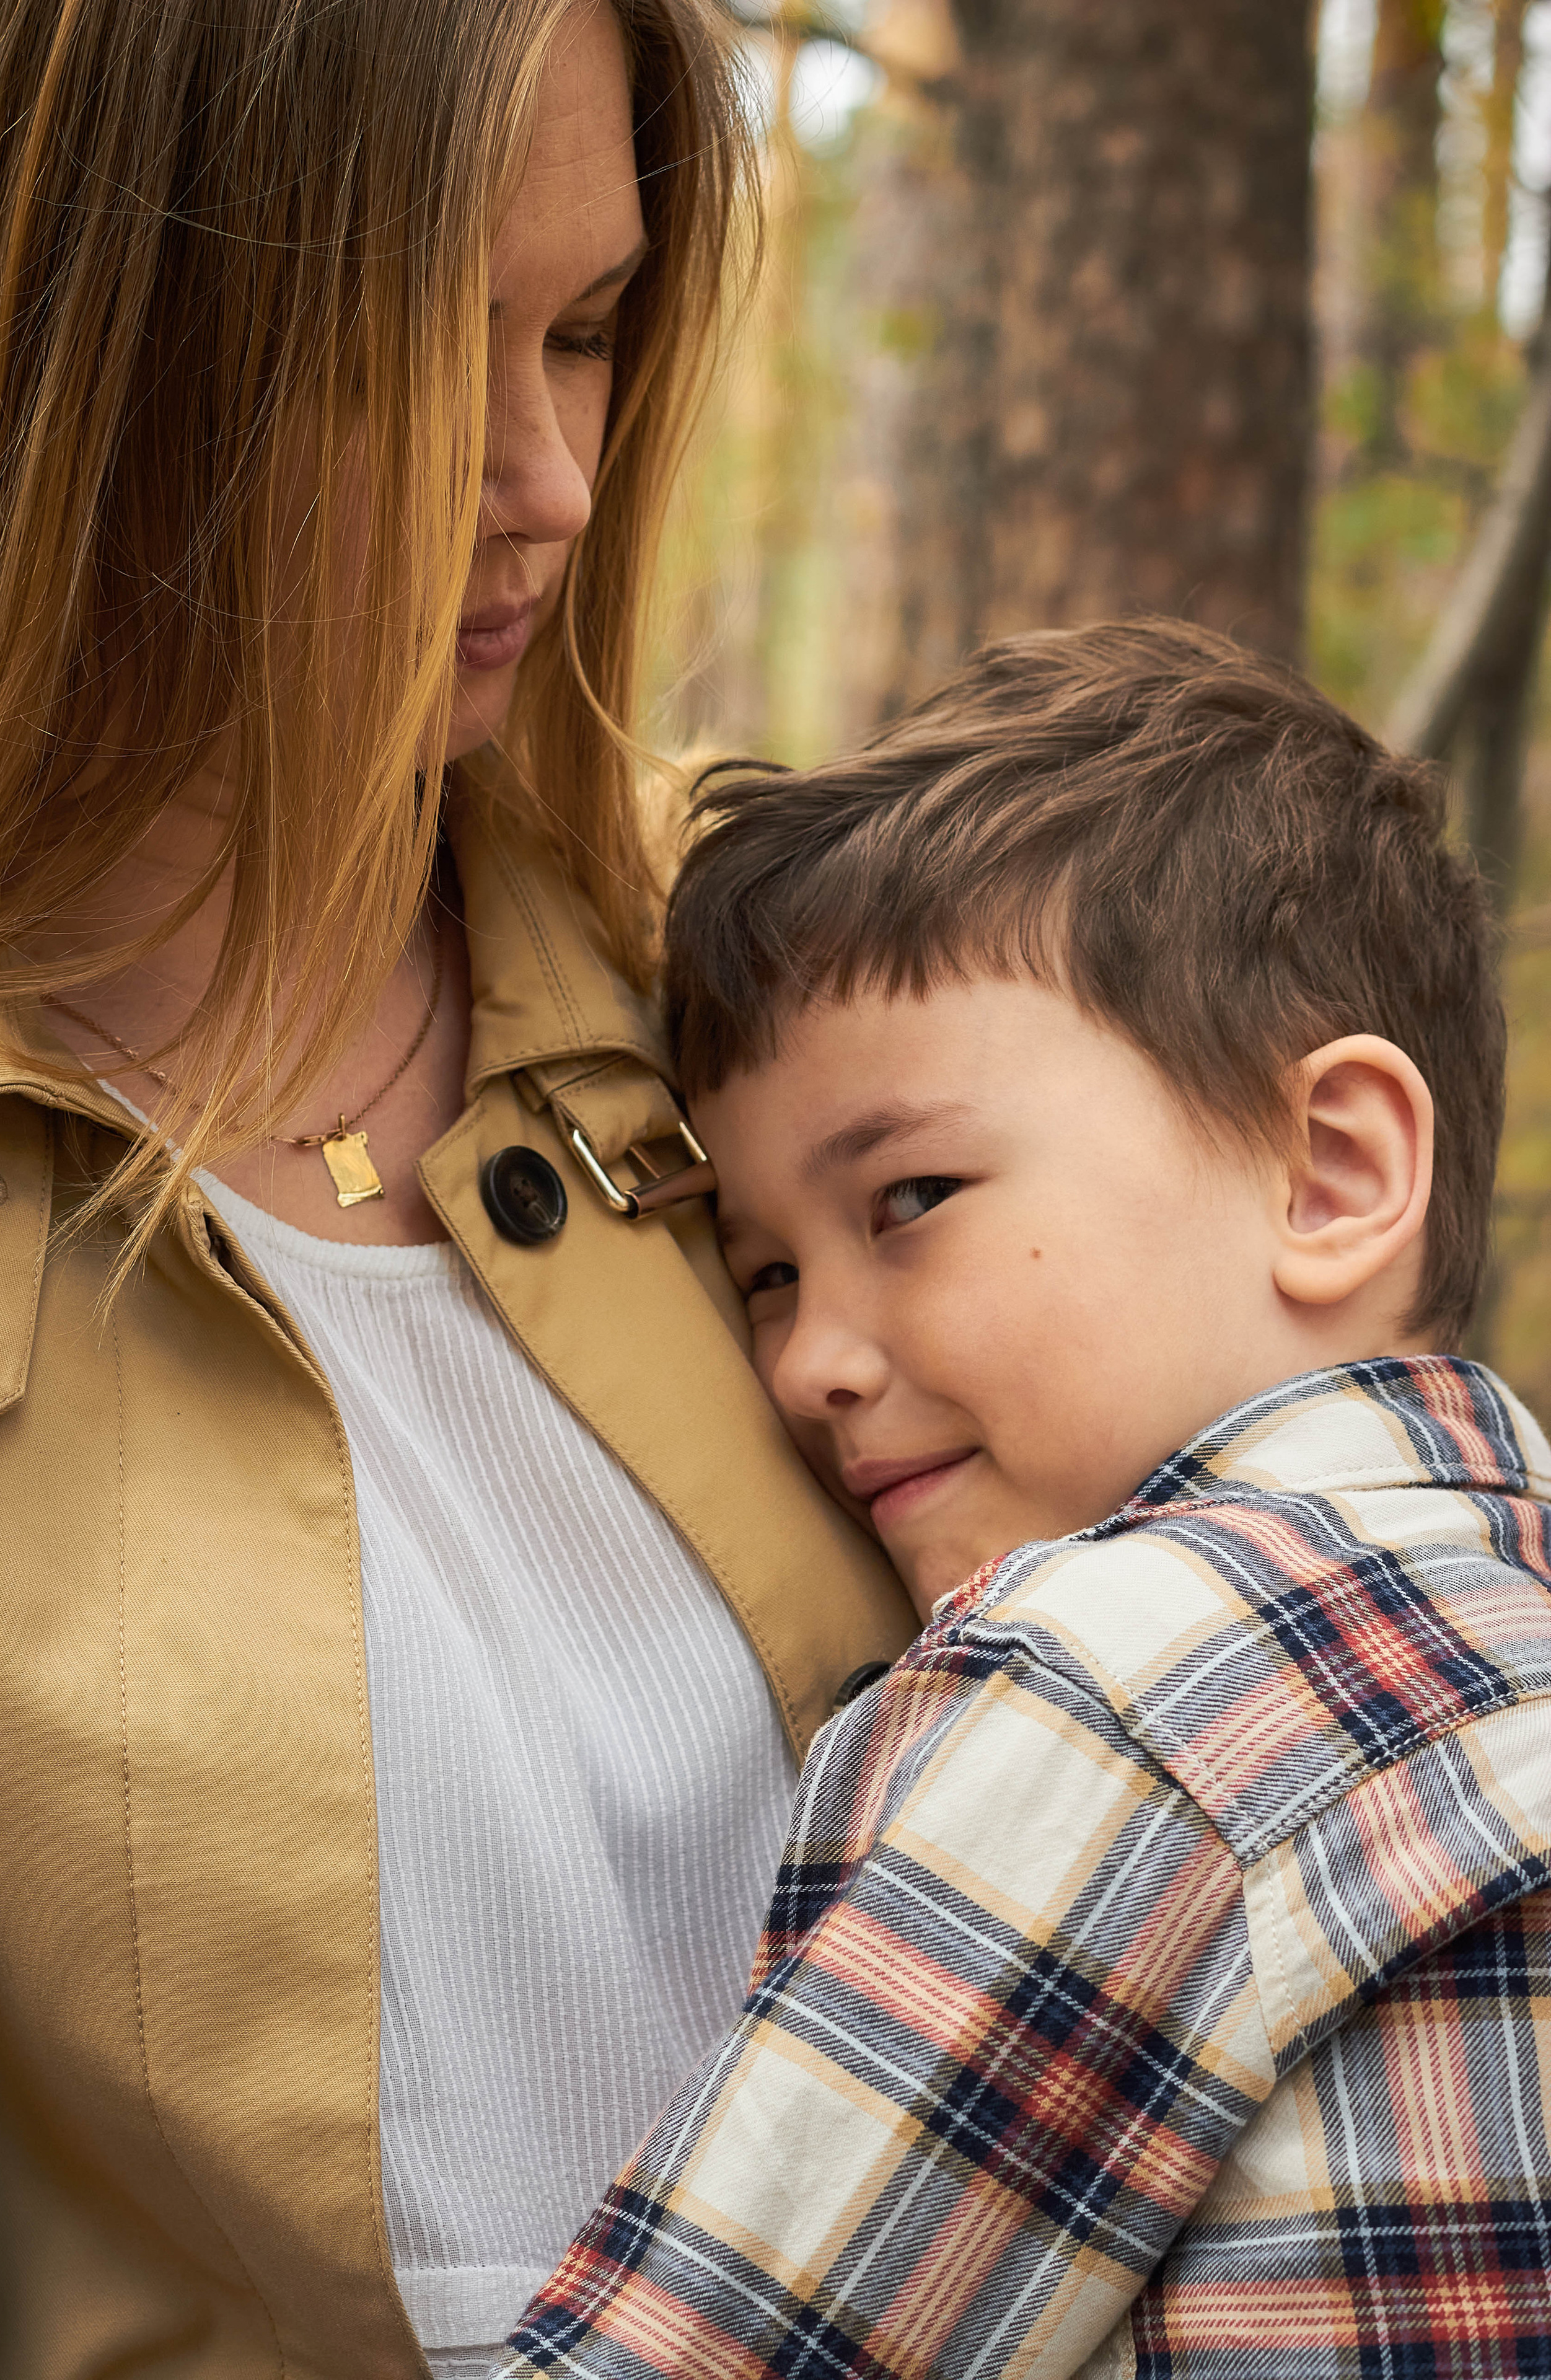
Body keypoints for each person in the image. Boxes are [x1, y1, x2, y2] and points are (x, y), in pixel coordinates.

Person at [0, 1, 914, 2371]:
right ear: (68, 338)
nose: (552, 479)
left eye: (589, 334)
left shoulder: (779, 989)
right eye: (400, 353)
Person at [494, 622, 1551, 2379]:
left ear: (1335, 1168)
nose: (808, 1362)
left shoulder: (1132, 1685)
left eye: (909, 1195)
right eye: (759, 1274)